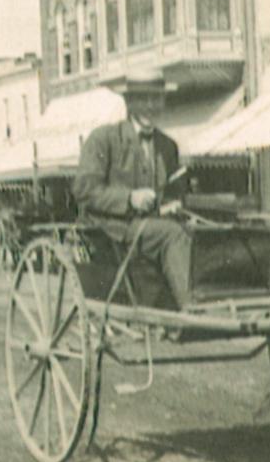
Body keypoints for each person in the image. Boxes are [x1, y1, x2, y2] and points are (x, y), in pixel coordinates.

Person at [72, 69, 192, 308]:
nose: (150, 106)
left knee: (196, 231)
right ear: (129, 102)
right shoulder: (103, 139)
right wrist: (129, 199)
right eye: (143, 99)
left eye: (156, 99)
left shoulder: (168, 146)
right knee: (173, 234)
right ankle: (190, 305)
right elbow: (84, 190)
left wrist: (172, 204)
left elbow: (173, 192)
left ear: (163, 101)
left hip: (152, 228)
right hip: (112, 229)